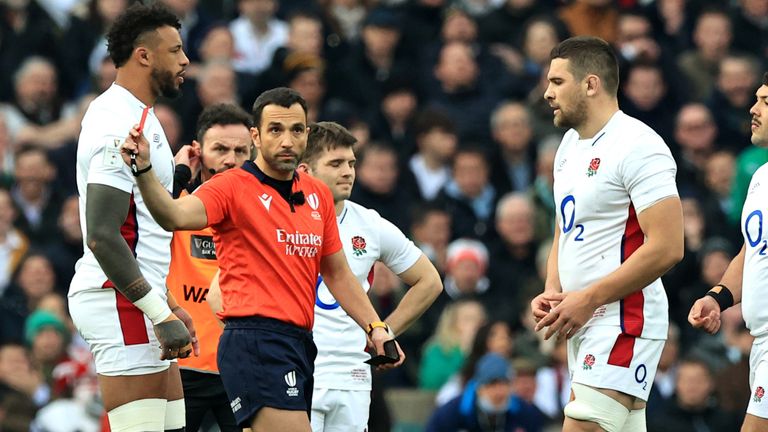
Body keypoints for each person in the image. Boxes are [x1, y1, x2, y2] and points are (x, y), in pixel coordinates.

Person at [120, 87, 404, 432]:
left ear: (307, 133)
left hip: (300, 343)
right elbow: (173, 216)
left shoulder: (317, 195)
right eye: (275, 130)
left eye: (296, 130)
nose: (287, 140)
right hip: (254, 340)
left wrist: (375, 327)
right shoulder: (232, 187)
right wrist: (145, 170)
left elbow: (338, 272)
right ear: (257, 136)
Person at [531, 36, 684, 432]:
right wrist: (555, 287)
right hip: (583, 319)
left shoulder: (639, 145)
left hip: (624, 319)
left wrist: (589, 299)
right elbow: (565, 226)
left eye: (557, 82)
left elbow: (668, 247)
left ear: (591, 84)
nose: (547, 93)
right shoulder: (568, 146)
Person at [67, 4, 194, 432]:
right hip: (118, 299)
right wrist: (160, 314)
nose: (185, 61)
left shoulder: (142, 115)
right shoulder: (113, 123)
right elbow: (103, 236)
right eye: (175, 51)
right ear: (144, 55)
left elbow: (143, 223)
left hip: (140, 299)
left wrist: (169, 304)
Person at [295, 121, 442, 432]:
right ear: (305, 170)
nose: (348, 171)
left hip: (353, 377)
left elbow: (429, 281)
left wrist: (385, 331)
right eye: (335, 163)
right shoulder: (279, 220)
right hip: (296, 372)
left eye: (351, 163)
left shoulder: (369, 224)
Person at [688, 72, 768, 432]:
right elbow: (752, 252)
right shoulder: (760, 177)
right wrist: (718, 297)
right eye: (756, 99)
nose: (754, 109)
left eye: (766, 102)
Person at [166, 103, 253, 432]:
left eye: (241, 150)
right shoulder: (176, 204)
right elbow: (146, 233)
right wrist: (178, 175)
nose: (231, 159)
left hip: (241, 367)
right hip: (182, 365)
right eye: (220, 149)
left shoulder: (263, 212)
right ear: (198, 152)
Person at [425, 352, 544, 432]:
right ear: (479, 387)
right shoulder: (452, 412)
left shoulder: (525, 413)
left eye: (504, 384)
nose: (499, 392)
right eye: (491, 385)